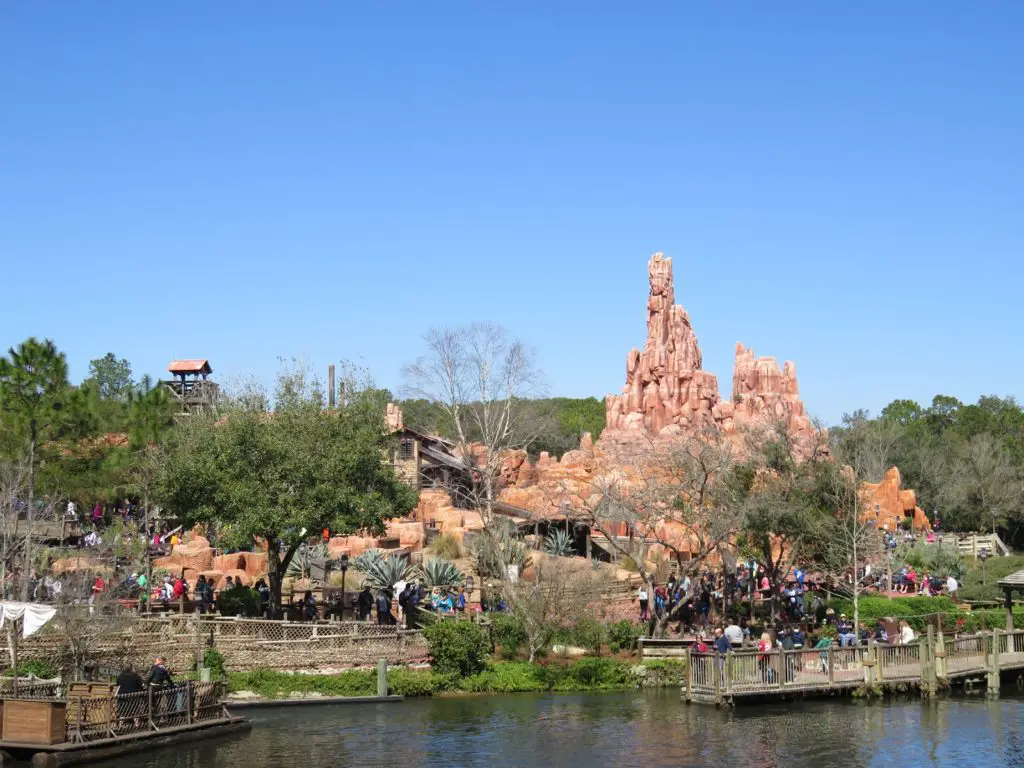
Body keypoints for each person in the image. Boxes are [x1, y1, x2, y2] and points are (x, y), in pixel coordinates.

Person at [115, 664, 144, 728]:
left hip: (122, 696)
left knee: (122, 710)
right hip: (133, 695)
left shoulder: (120, 676)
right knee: (135, 709)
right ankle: (136, 724)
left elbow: (117, 684)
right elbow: (140, 686)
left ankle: (121, 724)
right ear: (131, 669)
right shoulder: (136, 676)